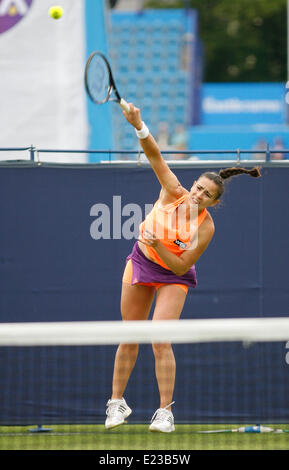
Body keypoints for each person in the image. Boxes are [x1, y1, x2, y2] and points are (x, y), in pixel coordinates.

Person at [105, 103, 261, 433]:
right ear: (192, 185)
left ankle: (164, 412)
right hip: (140, 262)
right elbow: (154, 155)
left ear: (214, 203)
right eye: (198, 187)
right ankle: (117, 402)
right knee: (129, 334)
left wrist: (158, 242)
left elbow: (179, 266)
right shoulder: (172, 191)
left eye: (207, 195)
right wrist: (138, 125)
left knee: (160, 340)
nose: (198, 194)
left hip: (172, 274)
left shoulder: (206, 228)